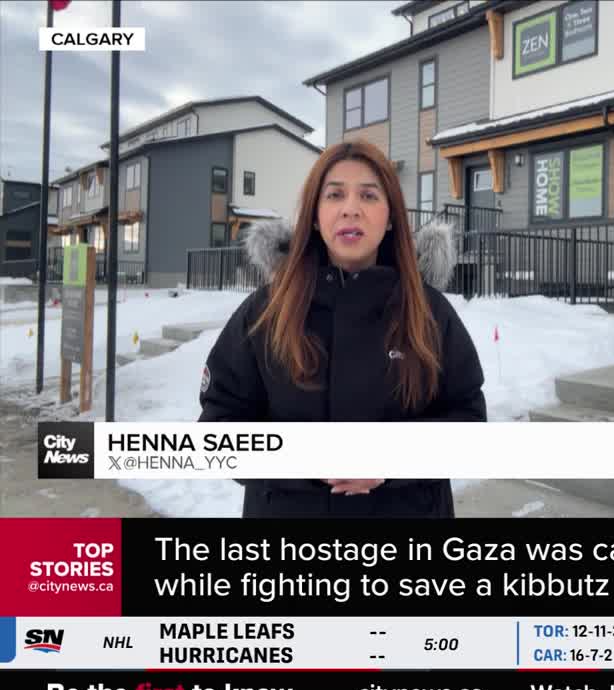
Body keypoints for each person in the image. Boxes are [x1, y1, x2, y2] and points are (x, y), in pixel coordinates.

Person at [197, 140, 486, 518]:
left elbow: (468, 423)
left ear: (391, 215)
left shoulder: (430, 312)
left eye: (368, 195)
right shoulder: (265, 312)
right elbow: (219, 427)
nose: (351, 209)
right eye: (335, 195)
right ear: (316, 215)